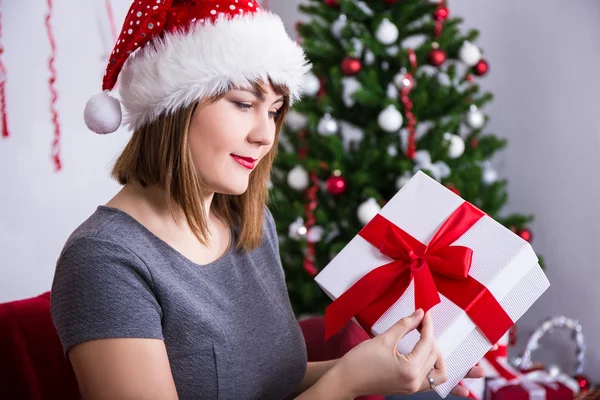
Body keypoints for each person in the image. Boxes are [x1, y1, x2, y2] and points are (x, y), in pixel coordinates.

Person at [50, 0, 487, 399]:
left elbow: (266, 383)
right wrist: (347, 382)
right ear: (172, 107)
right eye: (243, 103)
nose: (265, 136)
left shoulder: (249, 224)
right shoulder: (103, 260)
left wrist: (388, 368)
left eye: (275, 111)